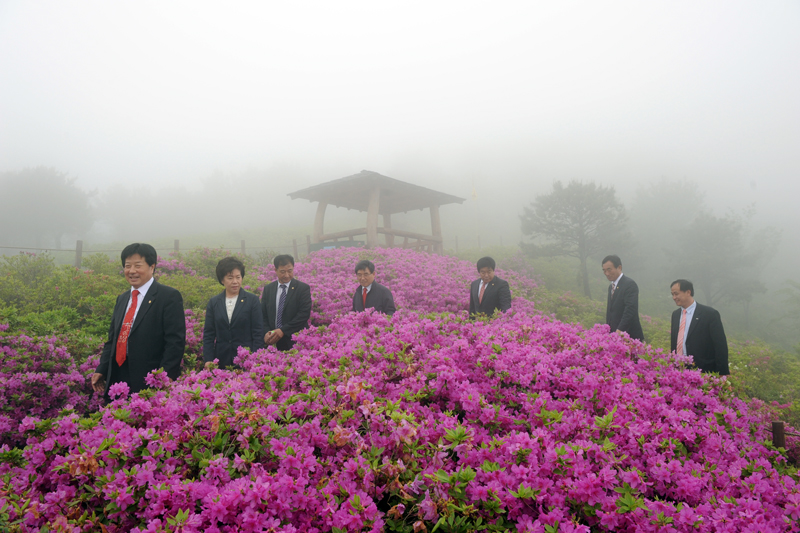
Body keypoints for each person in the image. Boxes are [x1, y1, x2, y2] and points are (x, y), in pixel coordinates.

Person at [91, 243, 186, 396]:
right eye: (127, 266)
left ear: (152, 266)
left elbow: (175, 342)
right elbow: (112, 339)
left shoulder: (168, 297)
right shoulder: (122, 299)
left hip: (148, 378)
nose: (132, 271)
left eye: (138, 265)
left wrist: (164, 378)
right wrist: (102, 369)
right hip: (117, 374)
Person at [202, 257, 264, 368]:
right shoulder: (214, 302)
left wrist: (255, 359)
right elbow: (209, 334)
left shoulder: (252, 300)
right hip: (220, 361)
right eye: (230, 278)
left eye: (238, 277)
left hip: (246, 361)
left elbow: (258, 333)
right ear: (222, 280)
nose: (235, 281)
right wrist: (208, 359)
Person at [670, 279, 729, 375]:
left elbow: (720, 345)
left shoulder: (709, 314)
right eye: (672, 294)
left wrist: (722, 372)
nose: (674, 297)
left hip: (703, 370)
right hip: (679, 370)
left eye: (676, 294)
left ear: (688, 292)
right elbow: (674, 342)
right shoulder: (676, 315)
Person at [261, 254, 312, 351]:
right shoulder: (268, 289)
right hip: (274, 341)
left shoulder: (302, 288)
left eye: (290, 271)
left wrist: (283, 330)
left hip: (295, 340)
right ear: (275, 270)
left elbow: (304, 314)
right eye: (282, 272)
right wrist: (267, 332)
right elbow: (263, 314)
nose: (287, 275)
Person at [602, 255, 644, 341]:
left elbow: (630, 310)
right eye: (604, 270)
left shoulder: (629, 285)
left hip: (629, 336)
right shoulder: (611, 286)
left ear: (619, 267)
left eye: (609, 269)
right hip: (614, 336)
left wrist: (619, 330)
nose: (607, 273)